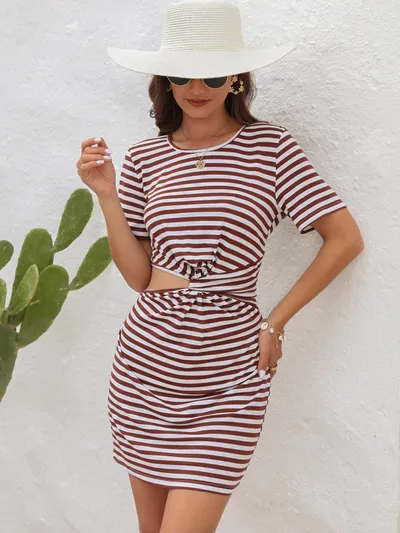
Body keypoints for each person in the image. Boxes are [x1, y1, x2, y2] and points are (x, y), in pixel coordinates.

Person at [76, 1, 364, 531]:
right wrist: (107, 197)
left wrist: (275, 322)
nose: (196, 87)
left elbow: (344, 239)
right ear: (165, 81)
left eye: (212, 74)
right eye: (182, 74)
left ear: (236, 78)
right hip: (146, 363)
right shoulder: (143, 159)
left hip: (228, 369)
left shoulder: (271, 148)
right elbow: (139, 278)